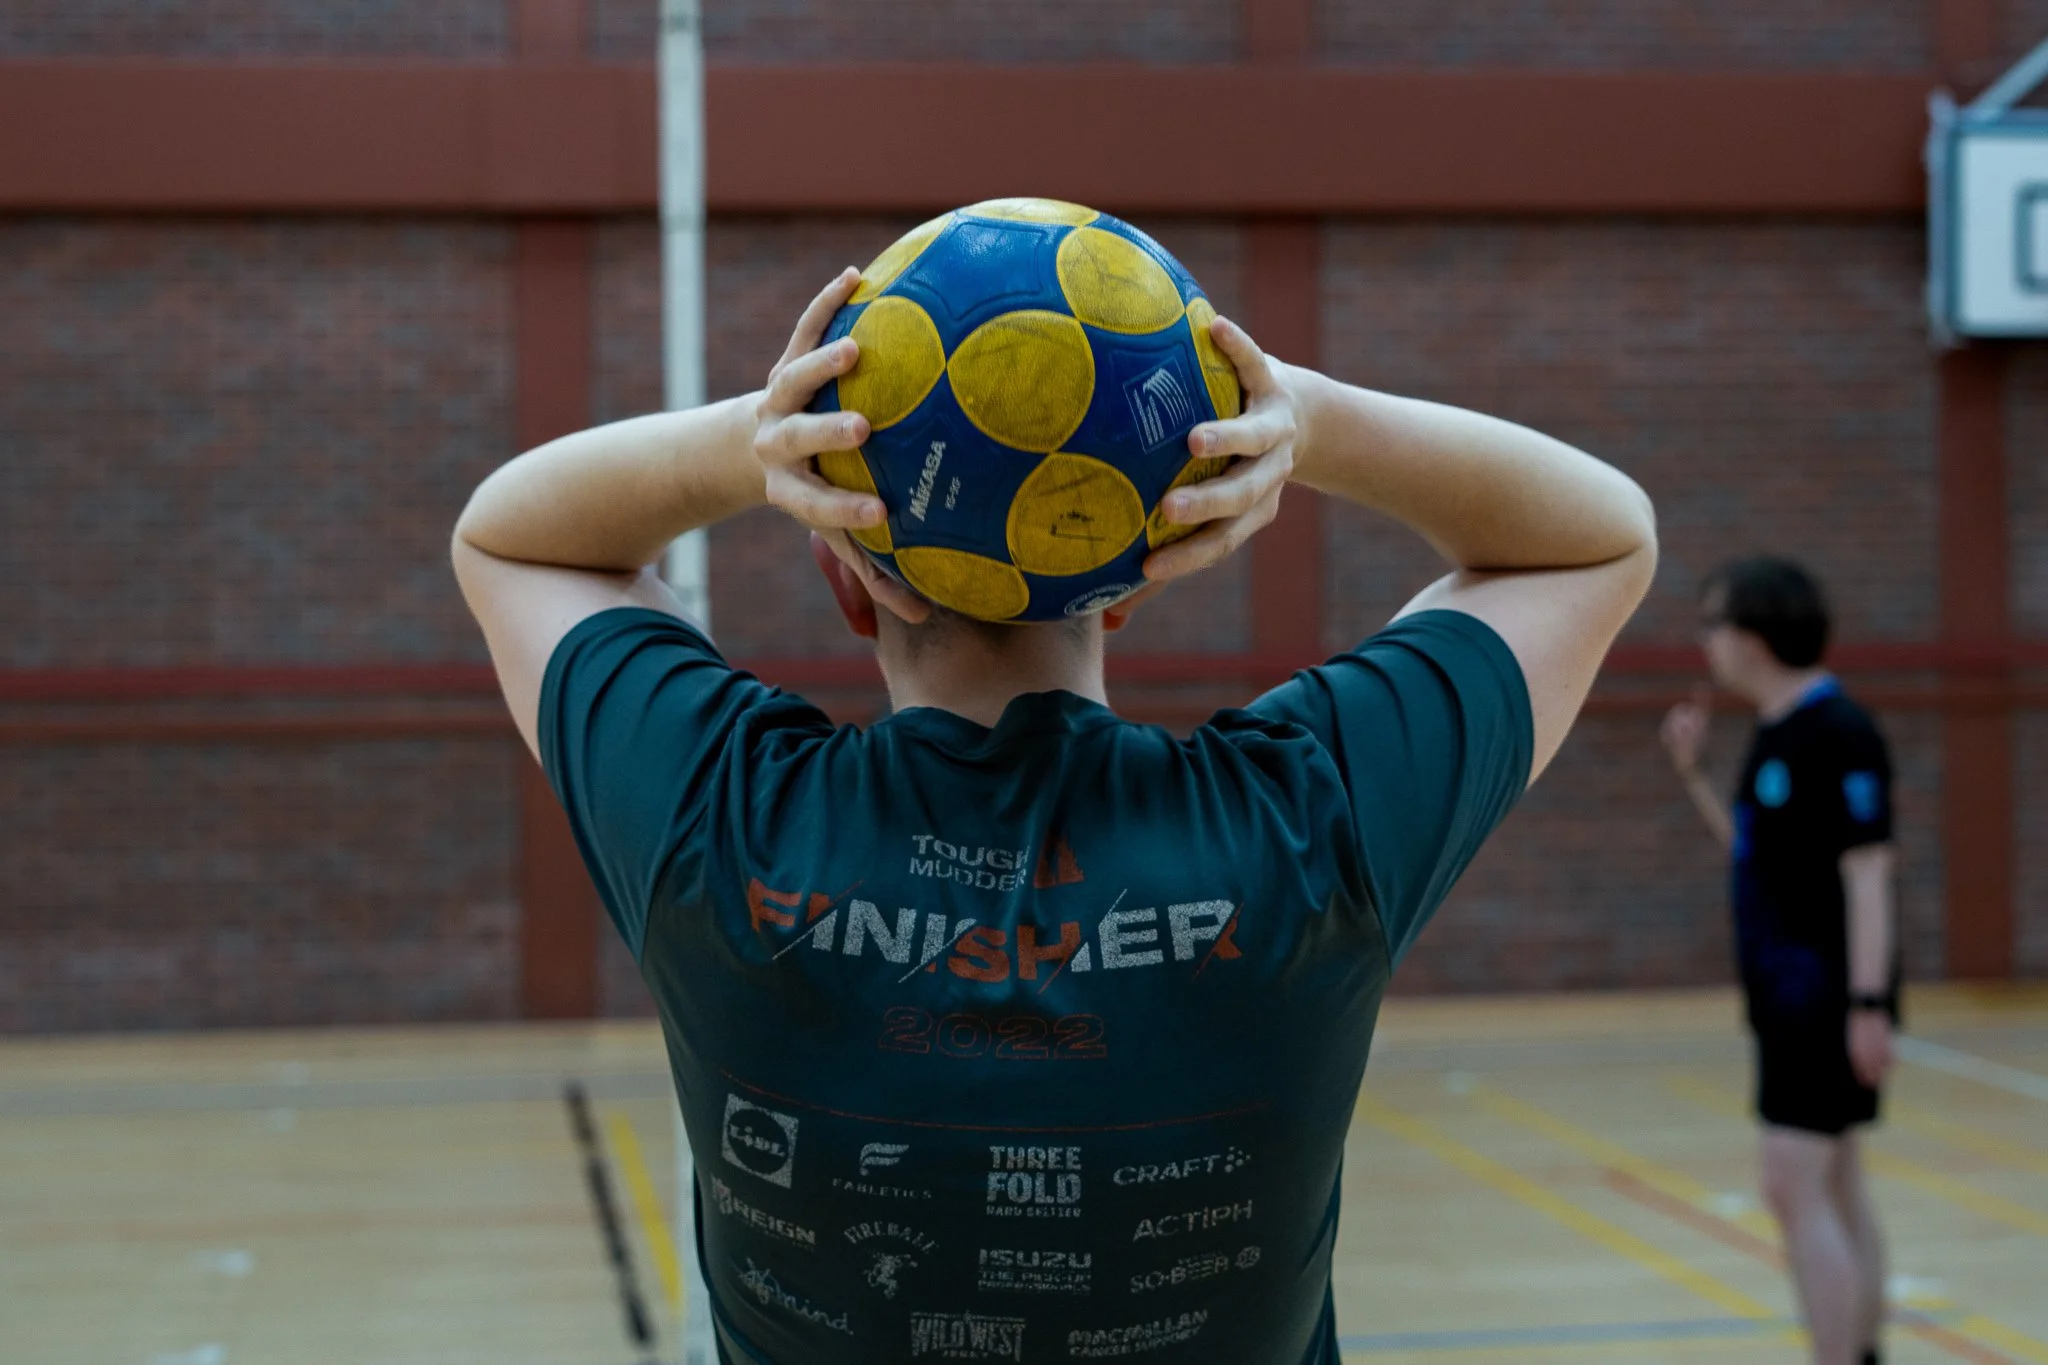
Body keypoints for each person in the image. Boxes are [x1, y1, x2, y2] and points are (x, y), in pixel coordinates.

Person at [454, 266, 1656, 1364]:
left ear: (844, 579)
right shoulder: (1301, 822)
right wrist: (1304, 419)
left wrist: (753, 444)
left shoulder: (722, 818)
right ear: (1127, 592)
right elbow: (1589, 541)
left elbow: (514, 541)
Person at [1660, 558, 1899, 1365]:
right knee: (1834, 1184)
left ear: (1756, 633)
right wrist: (1695, 775)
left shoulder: (1841, 733)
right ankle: (1861, 1352)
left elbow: (1869, 874)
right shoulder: (1775, 731)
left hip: (1823, 997)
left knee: (1792, 1184)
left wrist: (1867, 1005)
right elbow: (1758, 862)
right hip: (1787, 996)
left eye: (1714, 623)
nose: (1707, 642)